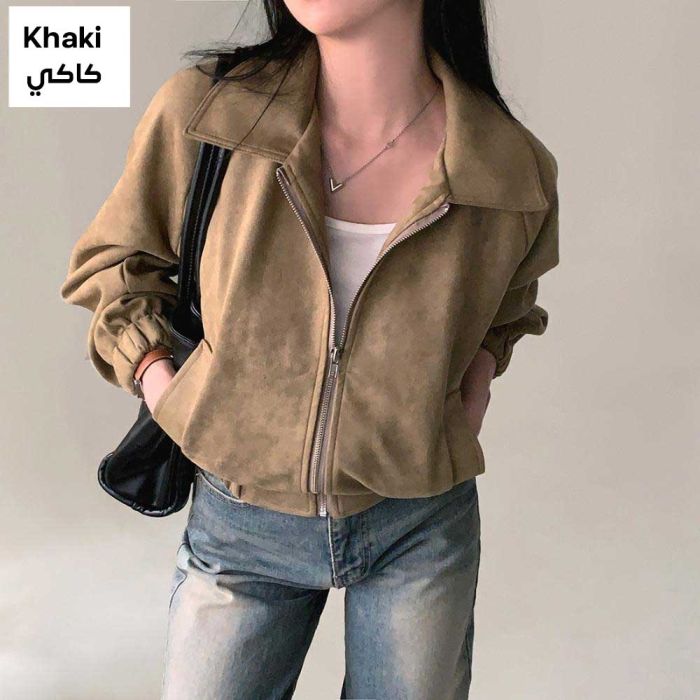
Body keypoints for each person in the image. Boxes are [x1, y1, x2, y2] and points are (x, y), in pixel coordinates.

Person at [59, 0, 559, 697]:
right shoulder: (209, 112)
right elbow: (115, 262)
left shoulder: (505, 165)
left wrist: (468, 397)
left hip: (418, 523)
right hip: (241, 521)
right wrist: (166, 385)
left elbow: (506, 307)